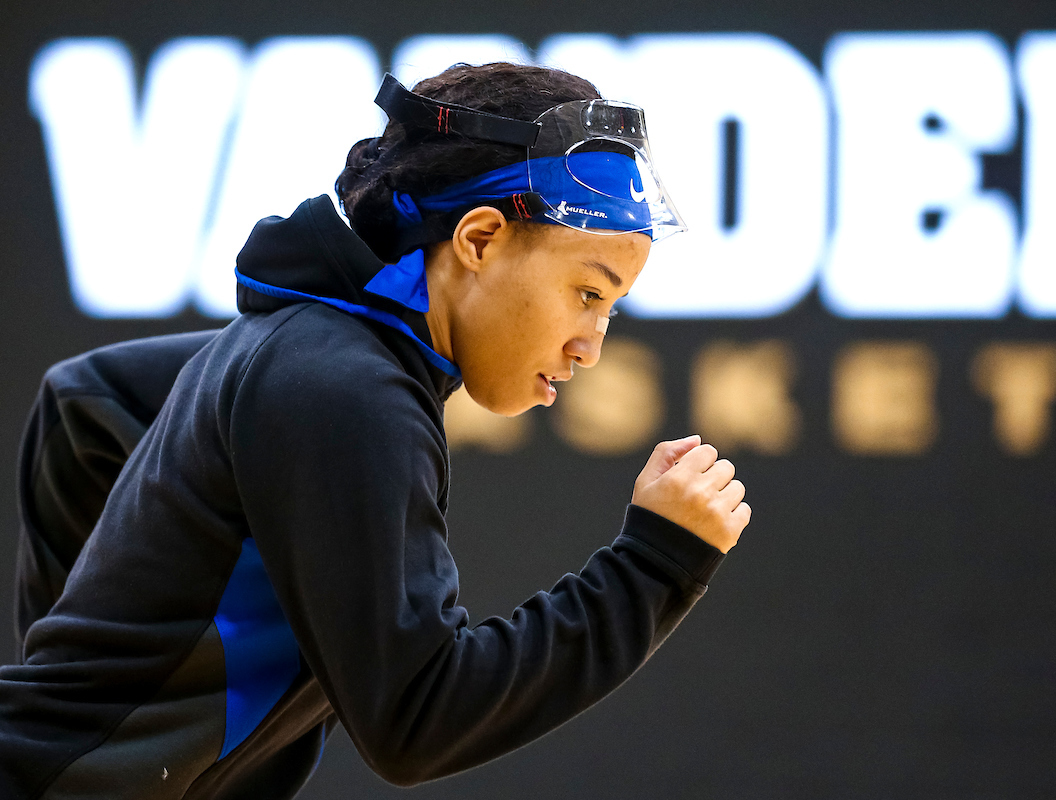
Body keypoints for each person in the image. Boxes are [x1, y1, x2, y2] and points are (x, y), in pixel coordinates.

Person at [0, 62, 751, 798]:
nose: (591, 344)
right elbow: (419, 718)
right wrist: (655, 564)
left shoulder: (308, 352)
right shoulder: (345, 387)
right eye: (587, 291)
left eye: (609, 310)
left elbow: (89, 399)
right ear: (481, 240)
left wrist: (84, 683)